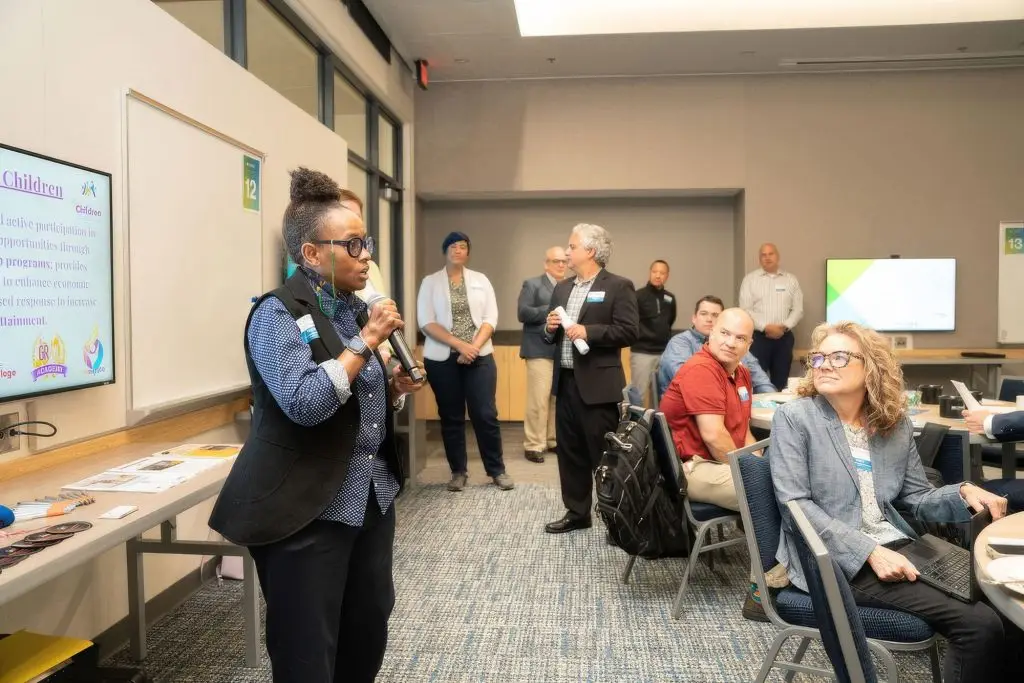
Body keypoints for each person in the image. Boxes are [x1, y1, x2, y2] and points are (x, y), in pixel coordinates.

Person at [209, 168, 425, 683]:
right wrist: (365, 344)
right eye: (353, 244)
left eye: (366, 242)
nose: (366, 254)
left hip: (369, 498)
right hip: (304, 511)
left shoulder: (354, 311)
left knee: (366, 629)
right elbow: (306, 402)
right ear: (311, 254)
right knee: (308, 649)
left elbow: (355, 403)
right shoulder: (275, 315)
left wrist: (391, 389)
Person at [771, 321, 1023, 682]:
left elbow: (915, 499)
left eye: (839, 356)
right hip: (836, 559)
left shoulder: (892, 423)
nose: (824, 364)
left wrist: (962, 492)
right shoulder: (796, 418)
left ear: (871, 366)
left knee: (1003, 598)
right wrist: (869, 551)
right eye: (819, 357)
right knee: (978, 625)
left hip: (899, 545)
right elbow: (795, 506)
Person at [543, 223, 638, 533]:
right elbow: (551, 336)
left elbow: (629, 331)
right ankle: (577, 513)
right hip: (567, 382)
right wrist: (550, 327)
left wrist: (590, 332)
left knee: (604, 455)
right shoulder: (562, 287)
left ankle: (616, 519)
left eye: (572, 247)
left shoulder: (618, 286)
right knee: (569, 452)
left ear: (590, 251)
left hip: (599, 387)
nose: (567, 252)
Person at [417, 232, 513, 492]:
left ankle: (497, 470)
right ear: (445, 250)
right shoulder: (430, 282)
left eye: (463, 247)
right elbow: (426, 321)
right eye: (453, 246)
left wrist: (472, 348)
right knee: (451, 416)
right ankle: (458, 471)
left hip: (479, 356)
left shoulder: (481, 280)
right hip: (442, 358)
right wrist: (459, 345)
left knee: (485, 413)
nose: (458, 250)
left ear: (468, 253)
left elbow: (490, 318)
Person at [659, 308, 759, 512]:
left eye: (740, 338)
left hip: (719, 461)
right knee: (767, 489)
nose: (730, 343)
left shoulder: (742, 374)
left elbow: (744, 431)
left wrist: (758, 466)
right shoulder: (702, 370)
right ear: (711, 332)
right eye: (725, 333)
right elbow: (714, 436)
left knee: (782, 478)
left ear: (748, 345)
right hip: (692, 466)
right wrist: (752, 472)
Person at [656, 295, 775, 403]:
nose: (709, 319)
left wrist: (772, 402)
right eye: (704, 314)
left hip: (732, 410)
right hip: (688, 411)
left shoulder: (733, 344)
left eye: (715, 315)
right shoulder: (680, 343)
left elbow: (761, 381)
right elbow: (689, 383)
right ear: (694, 318)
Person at [517, 246, 567, 463]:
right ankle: (533, 445)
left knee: (556, 398)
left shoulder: (568, 286)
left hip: (560, 350)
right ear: (546, 263)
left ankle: (552, 440)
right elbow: (523, 312)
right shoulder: (532, 284)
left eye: (564, 261)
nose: (561, 265)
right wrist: (552, 310)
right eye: (556, 261)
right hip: (538, 349)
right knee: (538, 400)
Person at [739, 243, 803, 390]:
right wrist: (765, 327)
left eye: (771, 254)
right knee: (753, 380)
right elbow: (745, 309)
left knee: (781, 382)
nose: (767, 257)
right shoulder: (750, 280)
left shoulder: (791, 280)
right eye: (763, 254)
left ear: (778, 256)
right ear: (759, 259)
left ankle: (779, 411)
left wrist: (784, 326)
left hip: (784, 338)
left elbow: (798, 309)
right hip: (758, 338)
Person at [630, 260, 676, 406]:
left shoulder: (670, 298)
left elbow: (670, 320)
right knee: (639, 395)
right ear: (650, 273)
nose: (658, 275)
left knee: (664, 395)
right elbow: (631, 321)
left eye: (662, 273)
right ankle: (636, 428)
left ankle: (657, 428)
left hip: (664, 354)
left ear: (667, 276)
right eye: (655, 272)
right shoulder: (638, 296)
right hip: (642, 352)